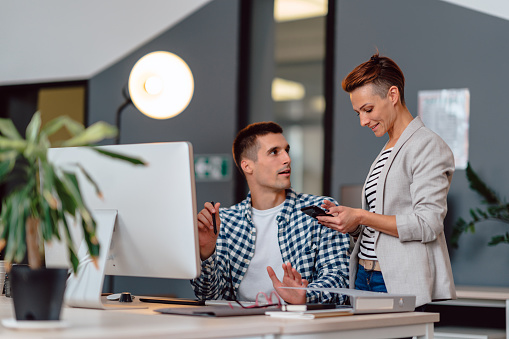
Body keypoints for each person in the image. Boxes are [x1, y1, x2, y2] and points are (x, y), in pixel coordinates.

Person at [317, 53, 456, 308]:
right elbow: (379, 223)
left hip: (397, 280)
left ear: (392, 95)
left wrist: (360, 216)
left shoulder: (427, 145)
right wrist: (351, 223)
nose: (363, 121)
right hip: (363, 276)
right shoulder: (388, 149)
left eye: (368, 110)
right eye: (358, 112)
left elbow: (428, 224)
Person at [191, 122, 350, 305]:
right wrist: (206, 254)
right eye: (274, 152)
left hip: (298, 327)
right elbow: (209, 297)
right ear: (247, 166)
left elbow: (339, 279)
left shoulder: (321, 210)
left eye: (286, 150)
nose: (287, 159)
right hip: (241, 328)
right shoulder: (225, 222)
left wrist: (305, 295)